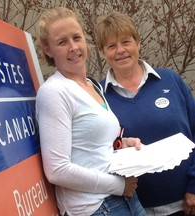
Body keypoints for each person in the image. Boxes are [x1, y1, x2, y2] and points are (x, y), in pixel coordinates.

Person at [95, 11, 195, 216]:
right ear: (102, 52)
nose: (121, 50)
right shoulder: (98, 97)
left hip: (187, 205)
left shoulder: (169, 80)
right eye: (111, 46)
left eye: (126, 42)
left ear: (138, 43)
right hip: (134, 209)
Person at [36, 7, 146, 216]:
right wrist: (118, 186)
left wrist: (123, 144)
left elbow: (93, 148)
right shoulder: (54, 92)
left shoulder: (92, 85)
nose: (73, 47)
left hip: (125, 199)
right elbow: (57, 170)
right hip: (97, 207)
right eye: (62, 42)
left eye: (77, 37)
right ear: (48, 50)